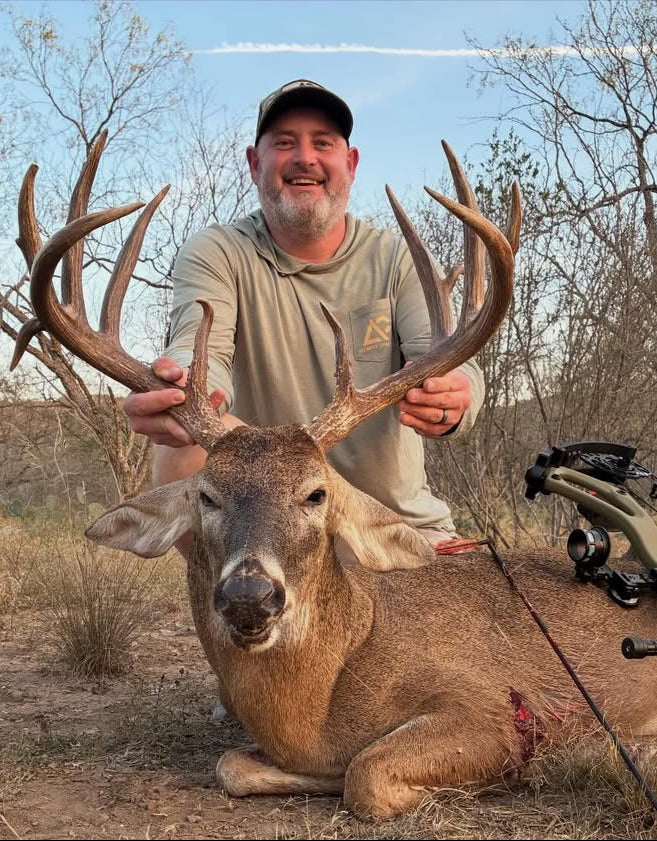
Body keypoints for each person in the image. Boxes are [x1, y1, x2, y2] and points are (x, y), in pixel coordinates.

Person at [123, 79, 484, 544]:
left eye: (323, 143)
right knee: (179, 446)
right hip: (266, 531)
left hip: (388, 530)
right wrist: (184, 393)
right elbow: (202, 352)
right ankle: (235, 595)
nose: (304, 158)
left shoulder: (398, 259)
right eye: (284, 143)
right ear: (255, 164)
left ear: (350, 164)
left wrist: (453, 398)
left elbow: (454, 365)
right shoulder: (218, 253)